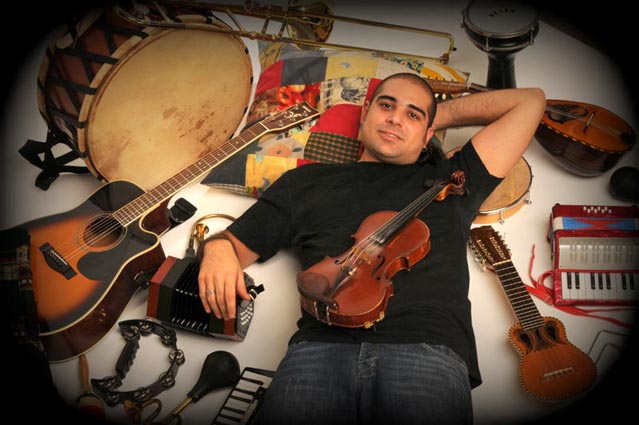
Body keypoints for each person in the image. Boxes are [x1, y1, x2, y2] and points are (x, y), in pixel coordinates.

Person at [197, 72, 545, 424]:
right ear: (365, 113)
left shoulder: (451, 180)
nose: (395, 118)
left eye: (412, 114)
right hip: (318, 349)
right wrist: (219, 249)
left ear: (429, 134)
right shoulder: (305, 182)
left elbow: (530, 101)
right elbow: (234, 244)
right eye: (386, 105)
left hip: (427, 352)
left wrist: (439, 114)